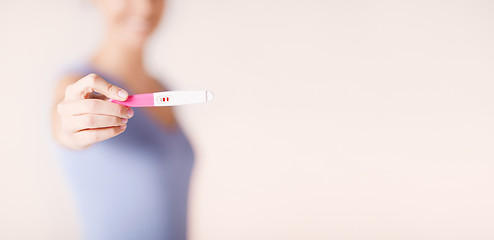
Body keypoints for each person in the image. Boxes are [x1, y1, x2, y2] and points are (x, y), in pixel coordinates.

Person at [50, 0, 195, 239]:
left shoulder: (163, 89)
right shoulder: (75, 84)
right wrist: (69, 129)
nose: (145, 7)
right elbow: (61, 121)